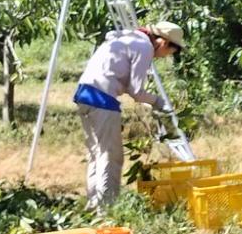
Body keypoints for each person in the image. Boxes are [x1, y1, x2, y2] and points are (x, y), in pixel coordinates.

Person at [71, 20, 184, 210]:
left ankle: (93, 204)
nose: (162, 57)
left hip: (84, 94)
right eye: (167, 53)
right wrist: (158, 102)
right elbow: (136, 90)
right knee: (111, 155)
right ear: (163, 43)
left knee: (95, 153)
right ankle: (106, 208)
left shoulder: (126, 38)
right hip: (102, 99)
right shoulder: (144, 46)